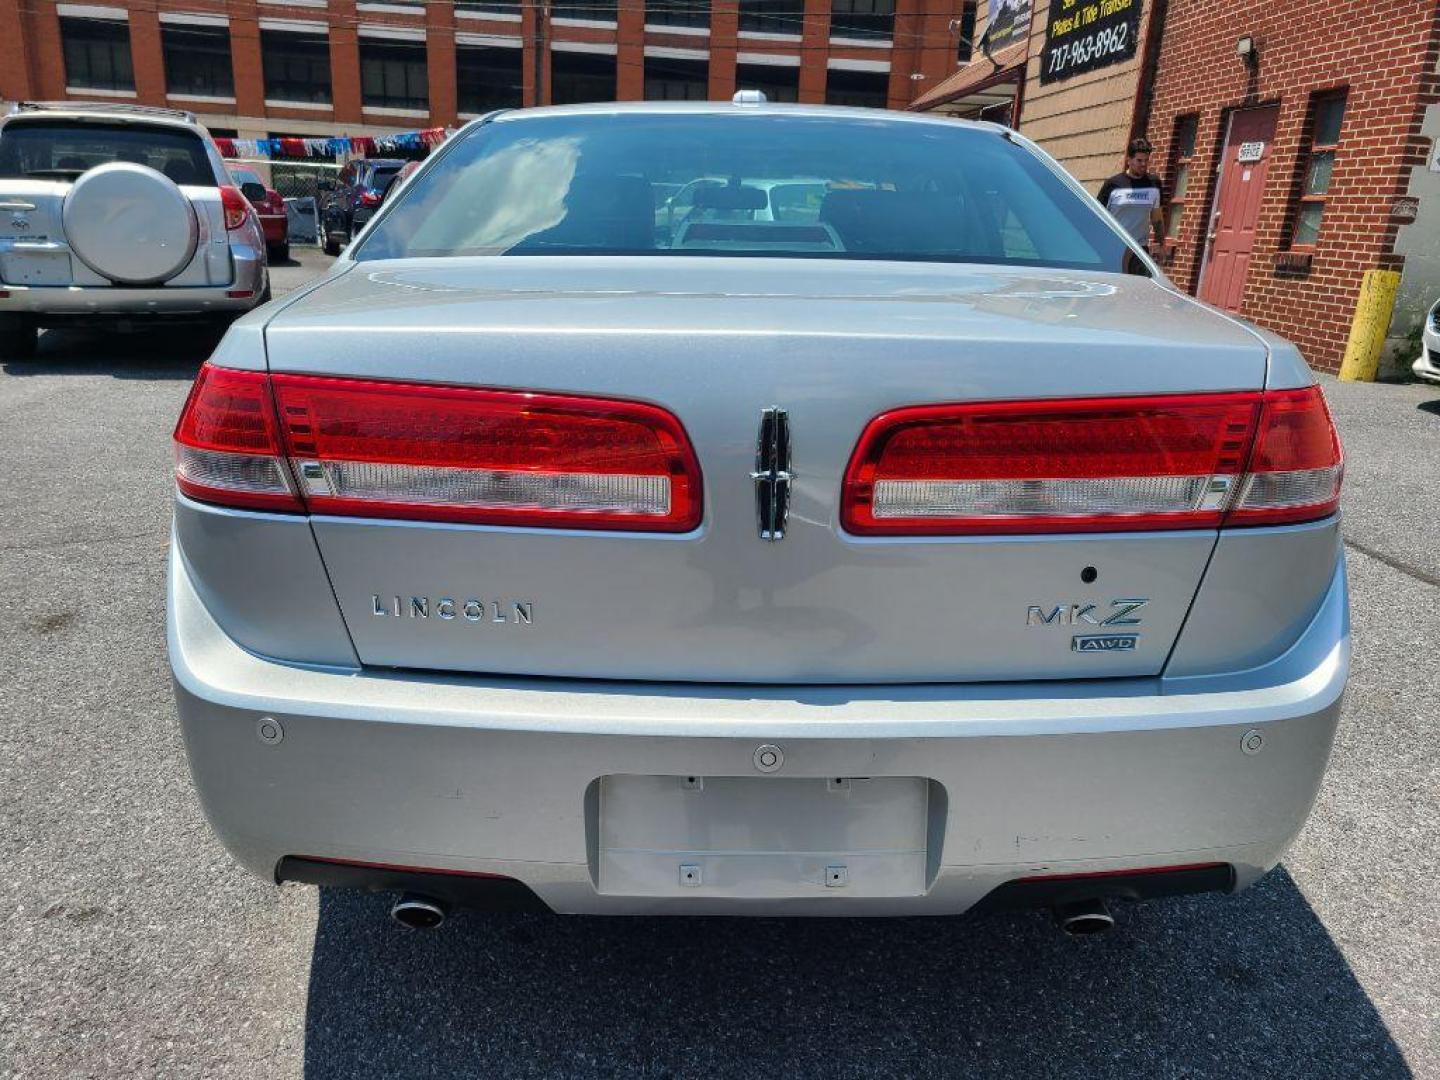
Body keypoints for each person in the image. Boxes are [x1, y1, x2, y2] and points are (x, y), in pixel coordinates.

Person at [1097, 137, 1164, 252]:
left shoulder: (1154, 184)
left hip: (1139, 250)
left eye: (1146, 160)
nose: (1143, 164)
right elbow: (1097, 216)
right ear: (1129, 160)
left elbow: (1156, 218)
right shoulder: (1112, 184)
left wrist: (1161, 243)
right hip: (1112, 247)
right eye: (1139, 160)